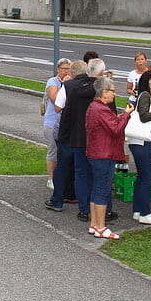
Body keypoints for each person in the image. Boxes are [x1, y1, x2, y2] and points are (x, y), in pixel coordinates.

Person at [51, 59, 108, 222]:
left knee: (70, 170)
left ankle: (59, 201)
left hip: (71, 135)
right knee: (95, 173)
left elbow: (58, 107)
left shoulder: (69, 87)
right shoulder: (100, 88)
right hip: (93, 137)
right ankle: (98, 209)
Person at [85, 77, 135, 238]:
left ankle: (93, 224)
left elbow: (111, 124)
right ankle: (101, 226)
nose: (114, 93)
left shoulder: (94, 107)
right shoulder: (101, 109)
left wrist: (120, 117)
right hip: (104, 154)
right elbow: (116, 129)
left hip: (95, 153)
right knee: (103, 190)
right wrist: (126, 115)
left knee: (96, 188)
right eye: (112, 90)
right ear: (104, 92)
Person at [128, 70, 151, 225]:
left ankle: (138, 209)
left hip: (138, 141)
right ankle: (145, 212)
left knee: (142, 176)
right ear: (146, 82)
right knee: (147, 176)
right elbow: (144, 116)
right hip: (142, 141)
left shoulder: (147, 96)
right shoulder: (145, 96)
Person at [42, 58, 71, 190]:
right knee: (53, 150)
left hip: (65, 123)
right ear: (58, 69)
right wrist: (65, 85)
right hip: (52, 122)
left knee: (64, 152)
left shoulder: (71, 82)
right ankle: (51, 178)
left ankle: (62, 177)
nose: (66, 71)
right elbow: (55, 99)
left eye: (68, 69)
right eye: (64, 68)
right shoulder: (52, 81)